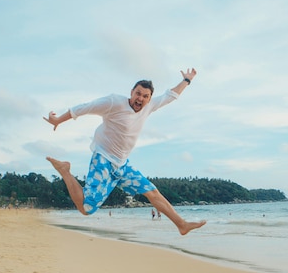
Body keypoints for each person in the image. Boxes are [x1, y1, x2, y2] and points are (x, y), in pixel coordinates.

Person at [44, 68, 206, 236]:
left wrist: (187, 81)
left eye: (145, 96)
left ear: (149, 99)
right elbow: (84, 108)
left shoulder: (148, 107)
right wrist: (58, 120)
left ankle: (182, 225)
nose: (140, 98)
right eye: (138, 93)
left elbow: (170, 95)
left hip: (122, 165)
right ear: (131, 92)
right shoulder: (113, 102)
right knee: (86, 208)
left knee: (152, 192)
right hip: (103, 159)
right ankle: (65, 171)